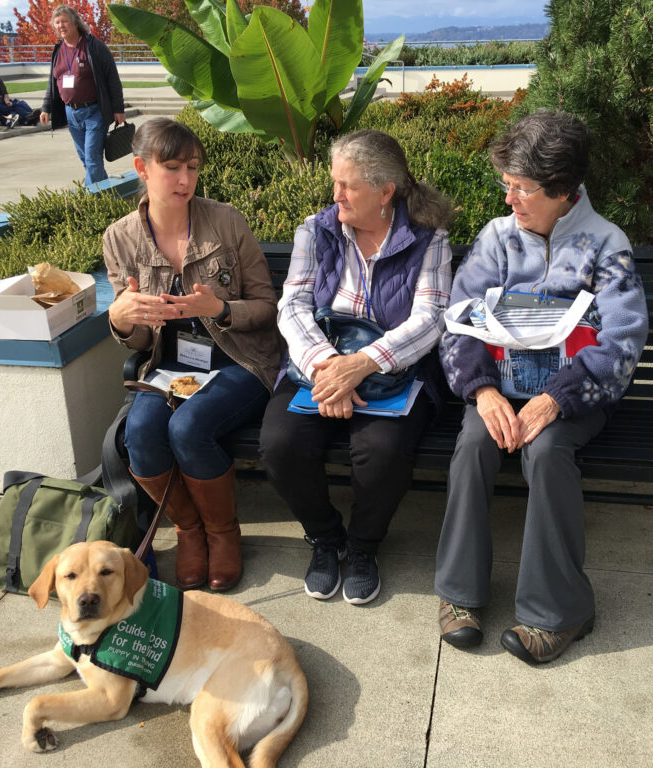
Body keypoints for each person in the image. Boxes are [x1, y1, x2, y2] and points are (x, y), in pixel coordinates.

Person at [435, 109, 649, 664]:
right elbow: (458, 318)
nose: (510, 201)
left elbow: (622, 340)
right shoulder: (498, 239)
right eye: (506, 186)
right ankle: (459, 594)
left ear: (562, 191)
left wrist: (557, 398)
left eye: (522, 189)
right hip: (499, 387)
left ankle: (561, 610)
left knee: (548, 449)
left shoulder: (606, 245)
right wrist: (483, 392)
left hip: (575, 395)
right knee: (474, 445)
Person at [259, 129, 455, 606]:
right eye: (335, 182)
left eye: (348, 185)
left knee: (382, 452)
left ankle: (364, 546)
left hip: (397, 372)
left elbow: (431, 318)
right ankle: (325, 538)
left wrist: (364, 363)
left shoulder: (430, 239)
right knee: (280, 442)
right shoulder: (316, 230)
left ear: (385, 191)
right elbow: (293, 305)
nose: (336, 195)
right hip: (319, 365)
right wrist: (329, 366)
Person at [102, 117, 282, 592]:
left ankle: (223, 533)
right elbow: (139, 344)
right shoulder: (119, 239)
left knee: (188, 427)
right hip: (170, 366)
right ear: (142, 168)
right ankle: (189, 530)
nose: (185, 180)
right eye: (173, 168)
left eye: (193, 168)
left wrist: (219, 308)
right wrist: (122, 320)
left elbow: (267, 309)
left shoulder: (225, 221)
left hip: (238, 359)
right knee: (139, 433)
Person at [40, 4, 126, 185]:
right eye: (57, 23)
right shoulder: (58, 51)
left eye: (64, 21)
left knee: (92, 158)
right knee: (86, 159)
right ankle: (104, 195)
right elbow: (52, 82)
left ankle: (90, 199)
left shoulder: (94, 47)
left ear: (75, 22)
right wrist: (46, 108)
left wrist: (118, 109)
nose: (60, 26)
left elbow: (112, 78)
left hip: (94, 111)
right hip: (71, 113)